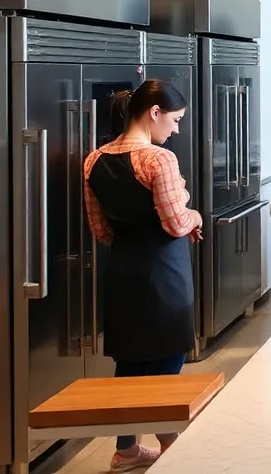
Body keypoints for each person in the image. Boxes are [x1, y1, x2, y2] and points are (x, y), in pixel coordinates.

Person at [82, 81, 203, 472]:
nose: (176, 129)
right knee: (168, 358)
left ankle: (127, 451)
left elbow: (101, 231)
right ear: (154, 112)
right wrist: (195, 217)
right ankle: (174, 447)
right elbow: (175, 223)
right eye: (175, 120)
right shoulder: (158, 159)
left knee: (131, 361)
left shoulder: (94, 159)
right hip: (164, 271)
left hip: (123, 270)